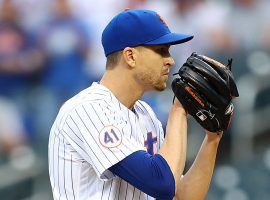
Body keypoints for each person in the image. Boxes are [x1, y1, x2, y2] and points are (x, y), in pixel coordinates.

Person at [48, 9, 224, 200]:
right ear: (130, 56)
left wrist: (213, 139)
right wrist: (180, 110)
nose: (170, 61)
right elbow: (161, 184)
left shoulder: (146, 114)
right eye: (161, 51)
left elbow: (181, 195)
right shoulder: (85, 110)